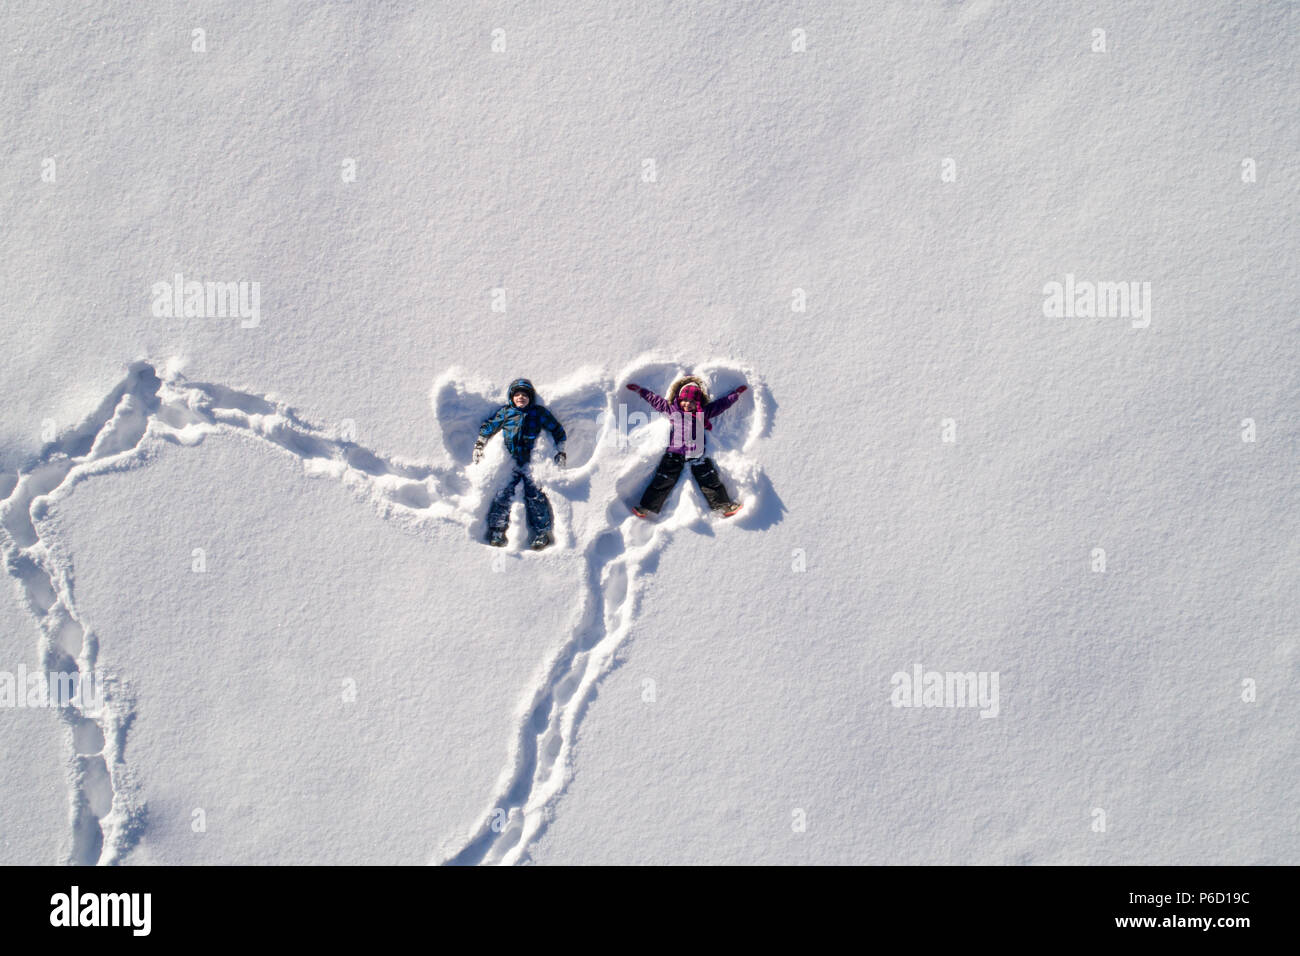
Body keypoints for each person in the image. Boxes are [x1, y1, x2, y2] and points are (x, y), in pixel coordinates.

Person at [625, 375, 746, 518]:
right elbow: (656, 401)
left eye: (692, 402)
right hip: (674, 454)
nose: (687, 404)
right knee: (663, 480)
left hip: (697, 454)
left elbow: (721, 404)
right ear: (679, 399)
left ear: (698, 403)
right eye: (684, 400)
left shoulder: (703, 413)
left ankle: (724, 506)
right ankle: (645, 507)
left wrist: (735, 394)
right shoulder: (673, 411)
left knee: (709, 479)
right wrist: (641, 391)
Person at [473, 378, 566, 549]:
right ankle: (497, 531)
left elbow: (557, 429)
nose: (521, 397)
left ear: (530, 398)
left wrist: (561, 450)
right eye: (517, 395)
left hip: (531, 462)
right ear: (511, 398)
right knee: (503, 495)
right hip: (511, 462)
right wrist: (480, 443)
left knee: (535, 496)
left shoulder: (538, 413)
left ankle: (541, 533)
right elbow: (489, 426)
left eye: (524, 395)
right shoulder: (506, 413)